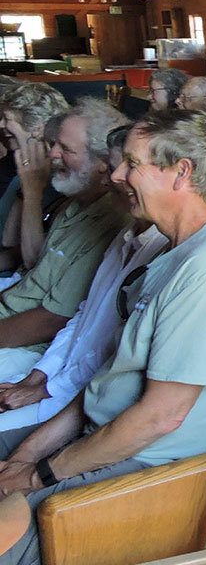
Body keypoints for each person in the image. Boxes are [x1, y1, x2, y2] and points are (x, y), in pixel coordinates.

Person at [0, 109, 206, 565]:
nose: (117, 175)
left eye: (132, 163)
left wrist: (35, 475)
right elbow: (107, 379)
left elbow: (158, 419)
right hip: (101, 435)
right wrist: (27, 453)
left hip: (152, 467)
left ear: (181, 172)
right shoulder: (173, 249)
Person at [0, 125, 168, 431]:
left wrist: (46, 387)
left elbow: (107, 350)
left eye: (124, 167)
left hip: (78, 397)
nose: (111, 178)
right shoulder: (124, 234)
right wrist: (38, 376)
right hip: (56, 374)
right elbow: (82, 319)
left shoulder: (158, 248)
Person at [0, 100, 132, 379]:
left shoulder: (111, 220)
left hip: (26, 349)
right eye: (54, 145)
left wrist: (31, 190)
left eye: (66, 149)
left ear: (103, 163)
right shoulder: (74, 201)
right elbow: (30, 270)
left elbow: (53, 319)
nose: (52, 155)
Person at [0, 82, 69, 273]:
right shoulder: (18, 165)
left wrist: (30, 188)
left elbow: (28, 255)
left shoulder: (60, 180)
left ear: (37, 128)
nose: (1, 125)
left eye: (7, 119)